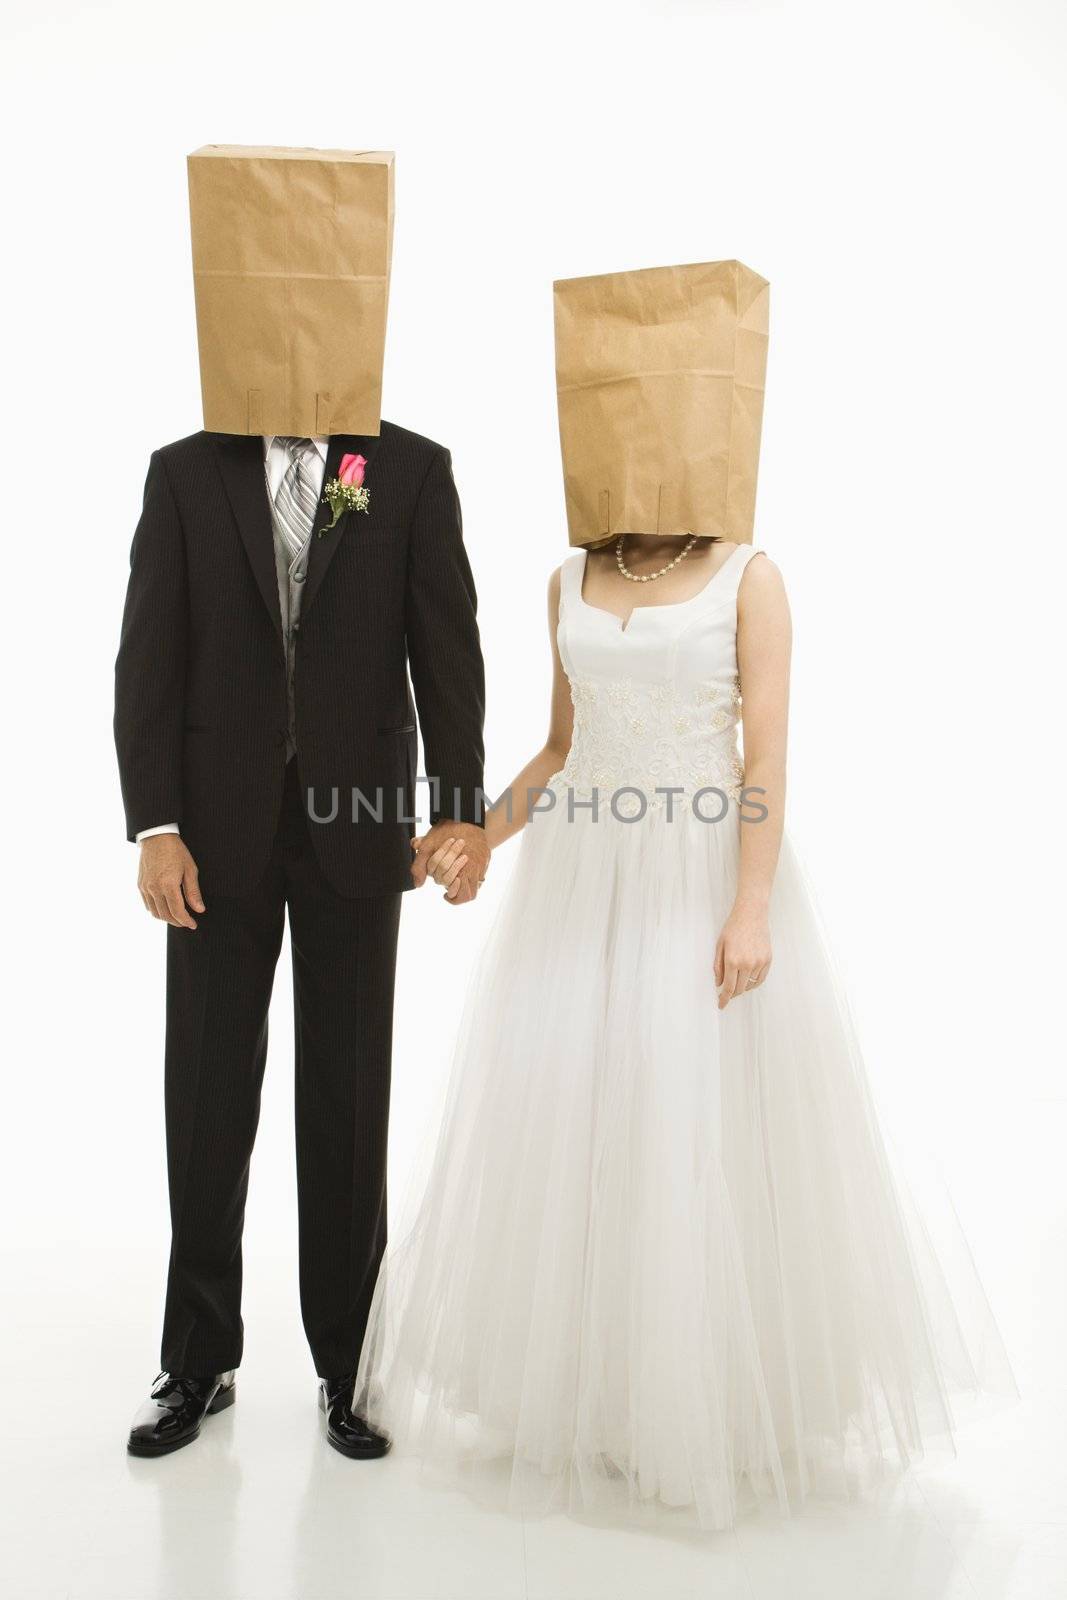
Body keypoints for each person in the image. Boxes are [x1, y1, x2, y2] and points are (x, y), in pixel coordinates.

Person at [353, 529, 1007, 1529]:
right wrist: (479, 834)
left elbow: (764, 756)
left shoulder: (751, 578)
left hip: (694, 872)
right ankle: (591, 1389)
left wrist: (748, 906)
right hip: (581, 878)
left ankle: (690, 1403)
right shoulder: (566, 577)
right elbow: (564, 749)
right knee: (581, 1108)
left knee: (684, 1113)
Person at [115, 146, 489, 1460]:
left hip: (356, 829)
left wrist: (458, 809)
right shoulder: (183, 472)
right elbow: (145, 661)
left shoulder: (404, 470)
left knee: (346, 1100)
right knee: (206, 1096)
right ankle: (194, 1364)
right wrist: (151, 822)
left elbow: (446, 650)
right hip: (211, 839)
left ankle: (349, 1368)